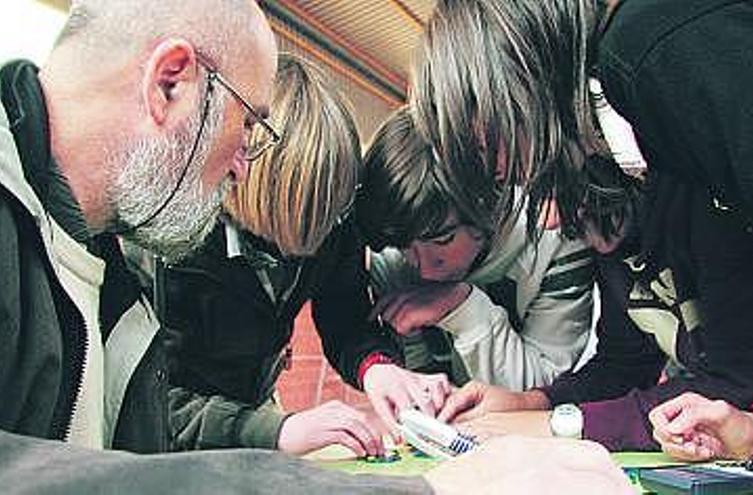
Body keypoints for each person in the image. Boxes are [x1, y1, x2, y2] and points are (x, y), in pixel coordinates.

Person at [0, 1, 627, 492]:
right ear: (171, 84)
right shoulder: (155, 234)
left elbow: (130, 436)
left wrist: (374, 367)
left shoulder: (102, 234)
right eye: (249, 126)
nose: (243, 164)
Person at [410, 0, 753, 474]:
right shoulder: (648, 119)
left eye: (481, 145)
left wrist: (556, 424)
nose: (496, 169)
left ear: (506, 84)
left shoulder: (658, 45)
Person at [159, 53, 450, 456]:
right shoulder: (175, 247)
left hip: (255, 410)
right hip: (178, 440)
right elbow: (147, 405)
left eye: (333, 216)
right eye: (305, 221)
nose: (320, 243)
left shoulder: (334, 221)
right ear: (250, 178)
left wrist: (376, 367)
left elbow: (343, 312)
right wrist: (272, 431)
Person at [359, 107, 596, 391]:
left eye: (442, 240)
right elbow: (418, 376)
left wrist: (464, 310)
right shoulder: (392, 251)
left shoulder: (555, 235)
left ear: (487, 205)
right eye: (405, 247)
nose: (423, 268)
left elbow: (544, 390)